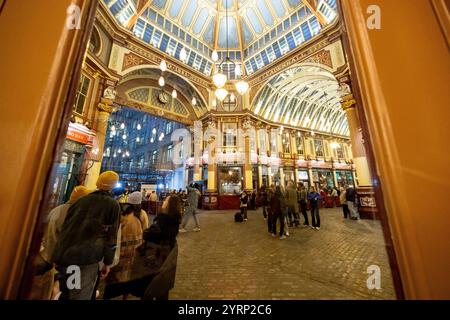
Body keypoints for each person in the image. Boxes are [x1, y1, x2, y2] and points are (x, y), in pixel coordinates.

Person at [52, 171, 121, 300]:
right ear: (113, 186)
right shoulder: (112, 205)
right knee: (80, 295)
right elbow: (111, 237)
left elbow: (67, 226)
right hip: (87, 259)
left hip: (68, 256)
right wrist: (108, 262)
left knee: (68, 291)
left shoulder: (81, 201)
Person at [30, 186, 91, 300]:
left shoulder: (57, 209)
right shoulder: (75, 215)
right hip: (64, 262)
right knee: (68, 292)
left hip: (46, 256)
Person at [103, 193, 148, 300]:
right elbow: (146, 229)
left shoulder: (123, 214)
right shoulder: (142, 214)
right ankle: (125, 297)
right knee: (129, 277)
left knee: (115, 278)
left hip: (121, 251)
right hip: (135, 251)